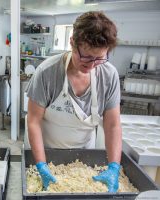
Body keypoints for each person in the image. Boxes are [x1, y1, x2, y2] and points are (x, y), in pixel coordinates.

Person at [26, 11, 122, 192]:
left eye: (100, 58)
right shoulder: (47, 72)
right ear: (72, 42)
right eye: (86, 57)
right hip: (45, 152)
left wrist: (114, 167)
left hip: (84, 155)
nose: (92, 65)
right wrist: (41, 165)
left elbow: (113, 125)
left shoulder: (109, 76)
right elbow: (33, 122)